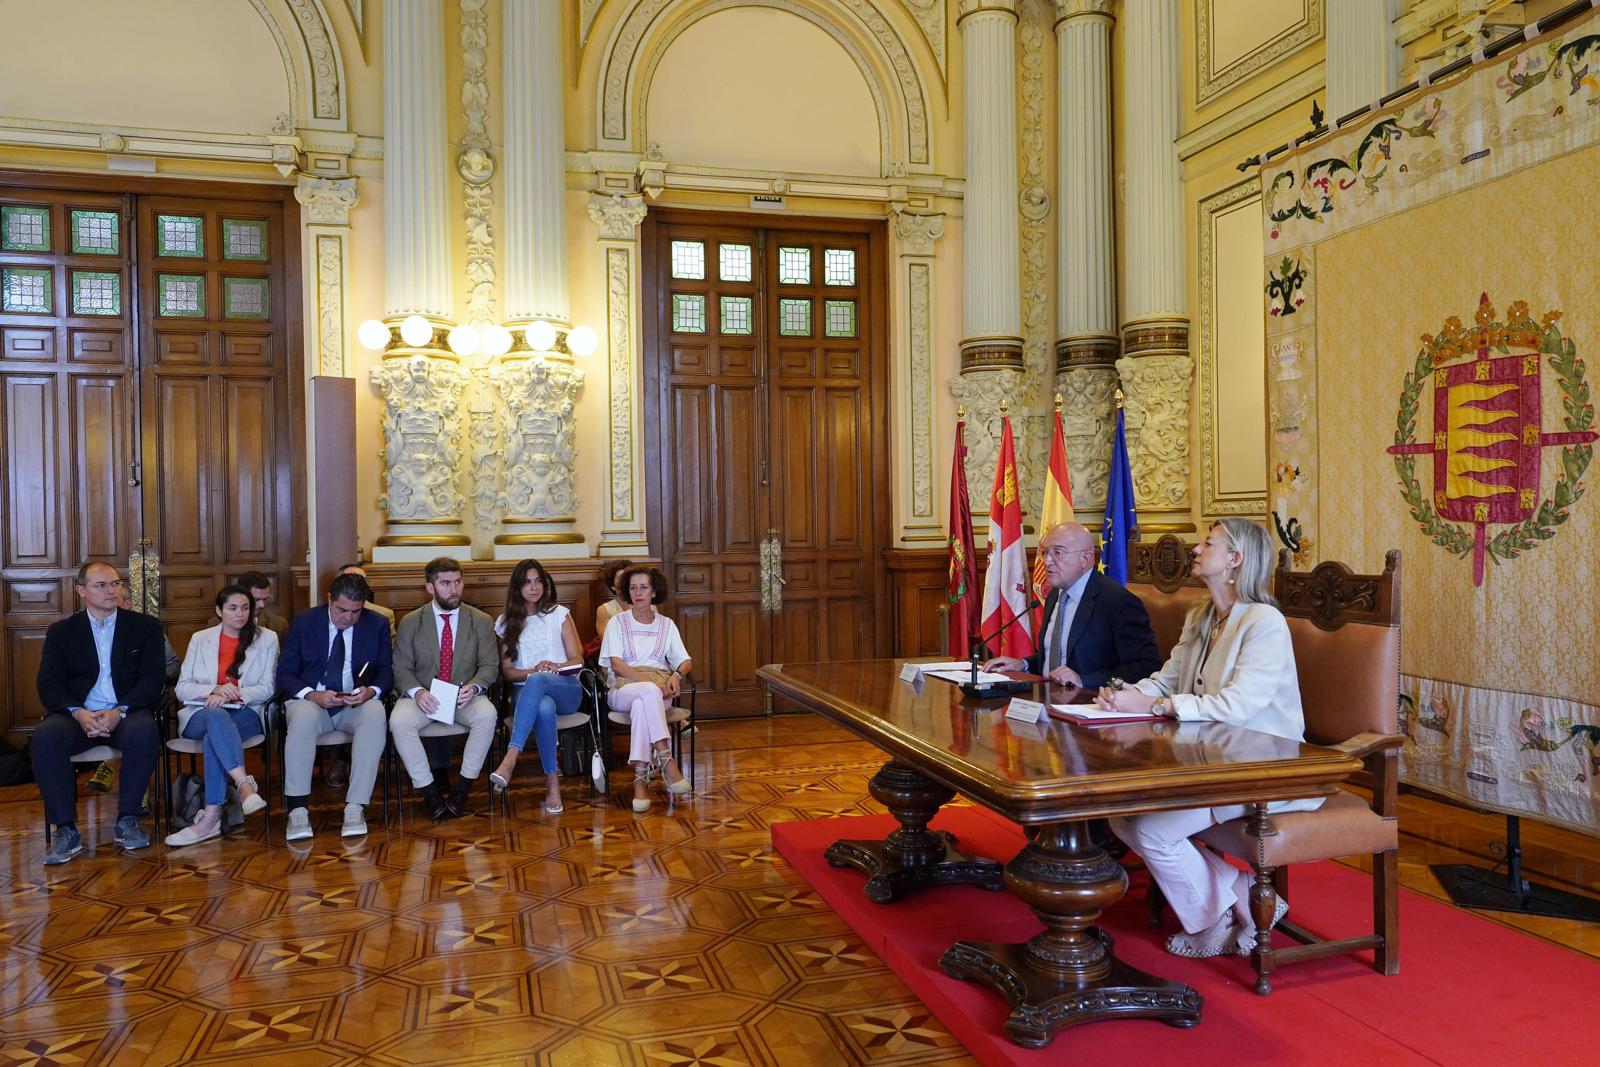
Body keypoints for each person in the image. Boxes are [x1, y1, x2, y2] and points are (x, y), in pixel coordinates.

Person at [1095, 518, 1319, 958]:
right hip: (1212, 763)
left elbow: (1239, 705)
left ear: (1235, 560)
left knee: (1152, 830)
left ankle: (1212, 921)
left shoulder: (1264, 622)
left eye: (1208, 543)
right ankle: (1241, 894)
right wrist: (1128, 695)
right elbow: (1169, 678)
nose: (1196, 550)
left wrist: (1157, 706)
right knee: (1122, 817)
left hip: (1264, 768)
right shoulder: (1202, 615)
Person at [32, 562, 164, 864]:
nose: (111, 591)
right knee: (45, 738)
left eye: (115, 584)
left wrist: (120, 710)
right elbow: (49, 685)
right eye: (101, 585)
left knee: (144, 731)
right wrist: (78, 713)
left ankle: (128, 819)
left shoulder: (145, 627)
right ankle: (66, 829)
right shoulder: (62, 632)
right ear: (81, 590)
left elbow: (152, 680)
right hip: (78, 715)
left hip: (125, 711)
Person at [277, 571, 392, 841]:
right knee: (303, 717)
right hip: (312, 701)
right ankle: (298, 810)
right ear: (329, 599)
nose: (348, 617)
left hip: (353, 704)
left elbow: (386, 671)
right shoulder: (305, 622)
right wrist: (312, 695)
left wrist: (370, 691)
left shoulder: (376, 624)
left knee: (376, 711)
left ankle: (355, 806)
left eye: (356, 611)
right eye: (342, 610)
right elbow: (285, 674)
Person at [984, 521, 1161, 691]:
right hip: (1047, 700)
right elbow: (1059, 657)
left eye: (1058, 552)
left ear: (1085, 559)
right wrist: (1024, 664)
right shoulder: (1055, 594)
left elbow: (1145, 666)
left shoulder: (1117, 601)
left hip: (1091, 704)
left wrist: (1084, 681)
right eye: (1045, 553)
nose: (1047, 561)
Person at [165, 585, 278, 846]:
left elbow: (269, 688)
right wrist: (214, 690)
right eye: (233, 608)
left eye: (245, 608)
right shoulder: (200, 638)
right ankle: (244, 785)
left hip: (246, 712)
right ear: (219, 611)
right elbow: (182, 688)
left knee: (213, 737)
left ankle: (210, 819)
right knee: (215, 717)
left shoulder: (267, 638)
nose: (240, 614)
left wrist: (232, 693)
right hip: (201, 713)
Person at [390, 557, 499, 821]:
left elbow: (489, 665)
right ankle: (429, 792)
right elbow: (401, 668)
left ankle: (463, 789)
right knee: (399, 721)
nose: (454, 589)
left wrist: (475, 687)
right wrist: (418, 692)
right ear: (430, 587)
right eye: (445, 583)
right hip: (424, 695)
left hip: (464, 696)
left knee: (487, 714)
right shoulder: (411, 621)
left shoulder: (481, 620)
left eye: (458, 582)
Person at [489, 559, 584, 815]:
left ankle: (510, 758)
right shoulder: (505, 622)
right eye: (527, 582)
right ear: (517, 587)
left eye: (538, 581)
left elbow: (578, 659)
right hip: (528, 695)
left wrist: (552, 666)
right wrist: (534, 672)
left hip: (565, 688)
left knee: (540, 679)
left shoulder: (559, 614)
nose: (534, 587)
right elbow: (508, 672)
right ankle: (552, 781)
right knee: (543, 706)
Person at [597, 566, 692, 813]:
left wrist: (676, 676)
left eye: (643, 587)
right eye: (633, 588)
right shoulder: (617, 623)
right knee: (647, 693)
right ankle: (667, 761)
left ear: (654, 591)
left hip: (659, 693)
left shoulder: (667, 625)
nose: (638, 593)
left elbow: (685, 660)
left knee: (642, 705)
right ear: (627, 592)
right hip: (622, 690)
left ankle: (640, 781)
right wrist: (652, 686)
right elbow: (616, 665)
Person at [86, 583, 180, 796]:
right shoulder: (91, 631)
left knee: (140, 730)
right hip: (99, 706)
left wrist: (150, 676)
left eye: (114, 601)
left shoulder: (147, 630)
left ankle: (135, 789)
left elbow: (174, 665)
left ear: (127, 605)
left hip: (139, 701)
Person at [241, 570, 289, 638]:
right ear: (241, 595)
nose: (262, 605)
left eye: (265, 599)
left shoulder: (279, 624)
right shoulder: (226, 624)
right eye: (256, 600)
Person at [594, 559, 633, 637]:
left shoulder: (649, 606)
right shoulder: (604, 610)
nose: (625, 582)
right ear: (612, 586)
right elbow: (606, 639)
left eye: (627, 577)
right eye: (620, 578)